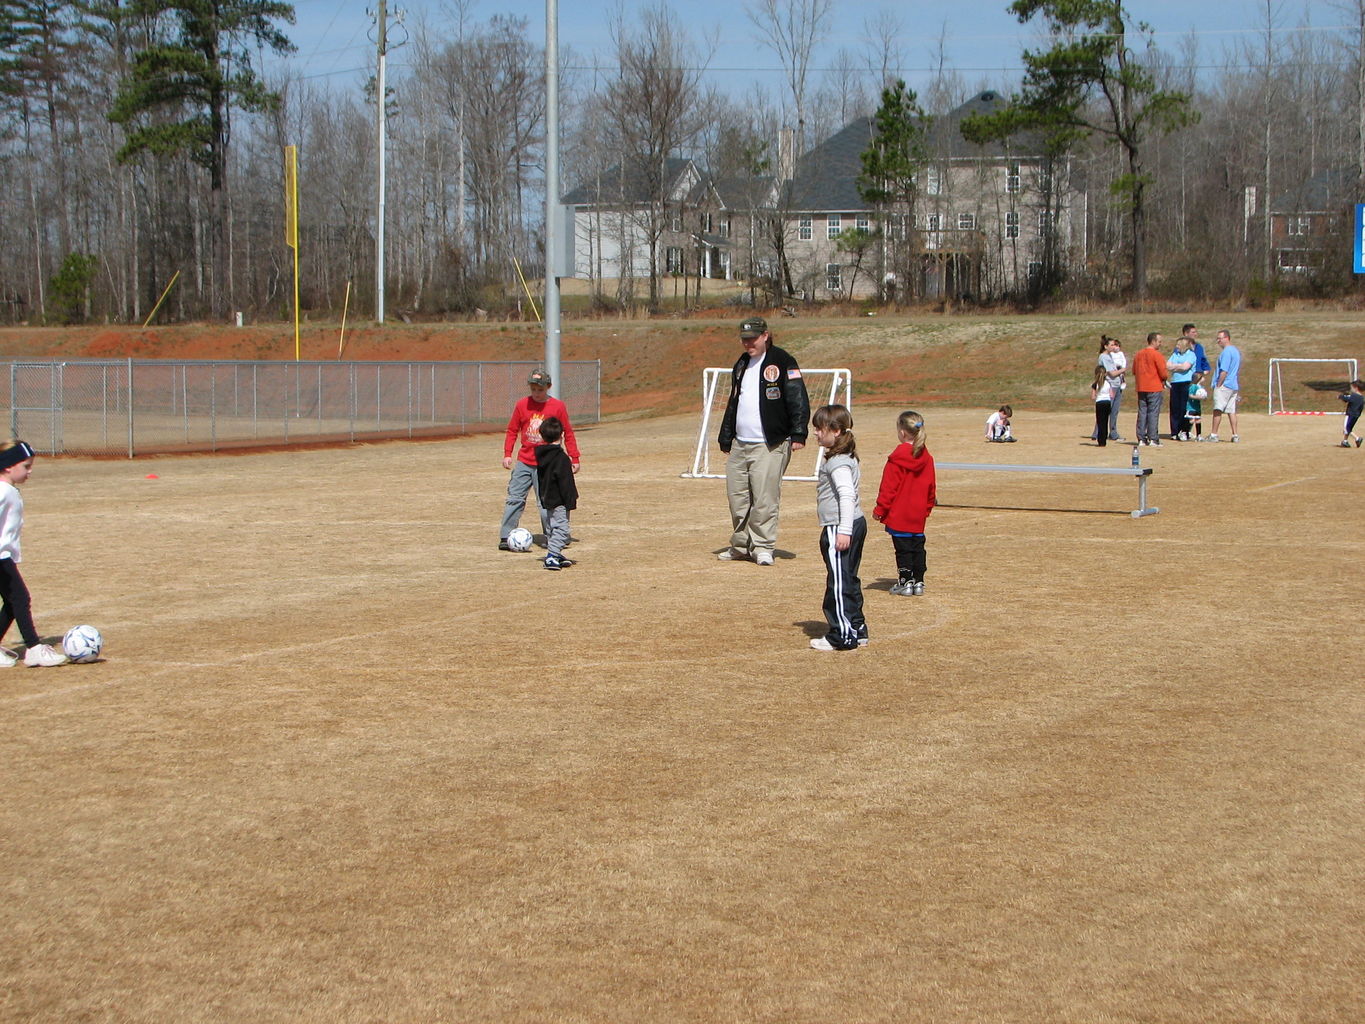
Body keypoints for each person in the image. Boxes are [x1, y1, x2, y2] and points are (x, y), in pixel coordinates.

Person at [716, 316, 810, 566]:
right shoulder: (742, 363)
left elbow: (797, 396)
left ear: (765, 335)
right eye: (744, 339)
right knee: (738, 498)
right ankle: (740, 545)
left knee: (765, 499)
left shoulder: (783, 361)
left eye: (753, 339)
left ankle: (763, 546)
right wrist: (726, 437)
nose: (748, 344)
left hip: (770, 443)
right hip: (740, 443)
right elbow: (734, 401)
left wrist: (799, 432)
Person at [0, 440, 67, 668]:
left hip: (4, 556)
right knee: (20, 599)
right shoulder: (2, 491)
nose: (30, 471)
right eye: (26, 466)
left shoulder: (7, 490)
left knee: (12, 602)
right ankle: (33, 648)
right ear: (9, 466)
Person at [499, 368, 580, 550]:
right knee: (514, 498)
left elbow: (568, 431)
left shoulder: (557, 406)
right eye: (533, 389)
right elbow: (513, 430)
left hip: (547, 464)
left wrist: (574, 457)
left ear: (548, 387)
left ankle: (553, 535)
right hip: (525, 460)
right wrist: (507, 454)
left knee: (546, 502)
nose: (536, 393)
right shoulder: (522, 405)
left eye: (540, 389)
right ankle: (506, 536)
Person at [808, 405, 867, 651]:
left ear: (836, 430)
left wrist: (843, 530)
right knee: (849, 578)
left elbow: (846, 495)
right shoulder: (842, 457)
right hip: (854, 523)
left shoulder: (838, 463)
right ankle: (857, 628)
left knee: (839, 581)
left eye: (820, 429)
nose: (816, 434)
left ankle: (842, 635)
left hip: (841, 526)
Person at [872, 410, 937, 597]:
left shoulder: (896, 458)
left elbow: (888, 488)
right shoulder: (927, 458)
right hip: (917, 514)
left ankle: (905, 581)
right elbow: (931, 487)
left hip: (899, 514)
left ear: (902, 432)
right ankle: (919, 581)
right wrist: (926, 508)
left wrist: (880, 509)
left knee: (903, 549)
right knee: (917, 548)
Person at [534, 417, 578, 570]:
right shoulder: (561, 458)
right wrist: (571, 499)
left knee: (553, 527)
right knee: (562, 529)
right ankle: (551, 555)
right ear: (561, 436)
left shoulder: (542, 456)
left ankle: (557, 554)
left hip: (547, 497)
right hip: (559, 500)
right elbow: (565, 482)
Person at [1132, 332, 1169, 447]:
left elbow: (1134, 370)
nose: (1160, 344)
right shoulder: (1156, 355)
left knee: (1142, 412)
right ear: (1153, 341)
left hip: (1141, 387)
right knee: (1153, 413)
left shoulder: (1138, 354)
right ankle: (1153, 438)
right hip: (1154, 386)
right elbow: (1163, 373)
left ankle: (1141, 438)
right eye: (1159, 341)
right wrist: (1164, 379)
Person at [1090, 336, 1126, 442]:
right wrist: (1122, 370)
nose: (1114, 347)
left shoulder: (1110, 356)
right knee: (1105, 411)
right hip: (1111, 386)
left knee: (1114, 411)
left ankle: (1113, 432)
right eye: (1111, 345)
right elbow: (1111, 373)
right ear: (1106, 346)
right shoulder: (1104, 357)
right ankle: (1097, 433)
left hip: (1116, 385)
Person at [1209, 328, 1241, 443]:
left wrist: (1218, 384)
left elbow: (1224, 370)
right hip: (1233, 385)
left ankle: (1214, 434)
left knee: (1218, 409)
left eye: (1220, 338)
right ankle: (1235, 434)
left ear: (1226, 338)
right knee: (1231, 410)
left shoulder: (1227, 352)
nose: (1218, 341)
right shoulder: (1236, 351)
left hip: (1225, 384)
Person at [1166, 334, 1196, 440]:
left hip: (1186, 383)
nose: (1177, 346)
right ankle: (1174, 431)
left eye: (1179, 344)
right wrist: (1178, 366)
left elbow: (1185, 367)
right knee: (1175, 408)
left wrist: (1175, 366)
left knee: (1184, 407)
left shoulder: (1191, 355)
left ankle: (1184, 431)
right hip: (1175, 383)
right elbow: (1168, 365)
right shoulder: (1175, 354)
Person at [1091, 364, 1115, 448]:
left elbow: (1093, 396)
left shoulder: (1095, 384)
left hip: (1099, 403)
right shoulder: (1108, 383)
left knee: (1100, 422)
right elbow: (1112, 395)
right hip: (1107, 402)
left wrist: (1098, 394)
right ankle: (1104, 439)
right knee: (1105, 421)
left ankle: (1100, 440)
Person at [1339, 379, 1364, 448]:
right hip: (1356, 415)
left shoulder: (1354, 396)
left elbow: (1347, 399)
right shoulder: (1362, 398)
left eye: (1352, 387)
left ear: (1356, 388)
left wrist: (1341, 396)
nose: (1351, 389)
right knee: (1349, 428)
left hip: (1350, 414)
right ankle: (1345, 441)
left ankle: (1357, 438)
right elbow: (1361, 408)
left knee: (1346, 428)